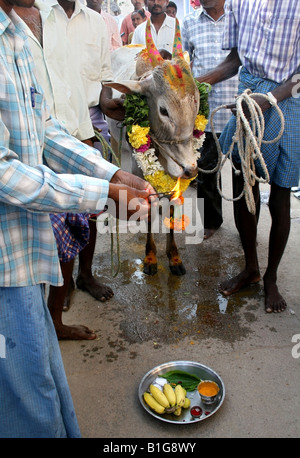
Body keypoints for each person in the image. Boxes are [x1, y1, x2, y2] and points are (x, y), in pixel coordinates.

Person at [0, 0, 155, 437]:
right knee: (25, 405)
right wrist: (102, 191)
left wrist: (111, 171)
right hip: (3, 270)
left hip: (25, 261)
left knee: (44, 385)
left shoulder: (16, 34)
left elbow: (44, 128)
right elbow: (3, 170)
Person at [14, 0, 121, 340]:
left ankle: (69, 296)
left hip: (76, 128)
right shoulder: (28, 16)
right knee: (43, 233)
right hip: (30, 140)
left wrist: (103, 161)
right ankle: (46, 317)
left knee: (80, 223)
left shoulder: (92, 23)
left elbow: (93, 79)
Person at [196, 0, 300, 313]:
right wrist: (199, 82)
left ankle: (271, 278)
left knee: (280, 195)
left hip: (287, 100)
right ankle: (251, 268)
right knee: (243, 189)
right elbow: (236, 58)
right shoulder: (242, 1)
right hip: (247, 98)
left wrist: (270, 98)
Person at [181, 0, 238, 240]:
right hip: (205, 114)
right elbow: (183, 64)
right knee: (205, 171)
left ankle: (246, 224)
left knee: (243, 174)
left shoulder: (238, 17)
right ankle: (212, 223)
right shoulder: (189, 23)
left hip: (239, 110)